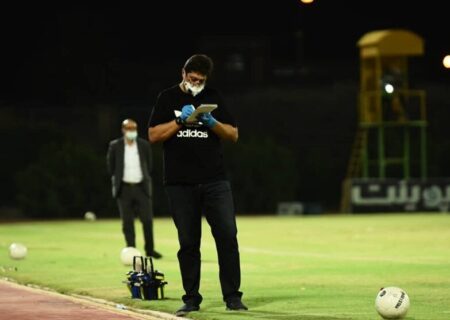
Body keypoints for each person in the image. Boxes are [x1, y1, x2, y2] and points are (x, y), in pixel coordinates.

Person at [147, 54, 247, 317]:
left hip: (215, 180)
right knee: (189, 242)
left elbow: (233, 134)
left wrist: (212, 122)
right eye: (192, 79)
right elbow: (154, 135)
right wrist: (180, 121)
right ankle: (191, 298)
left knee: (227, 236)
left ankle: (233, 297)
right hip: (180, 183)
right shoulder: (167, 98)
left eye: (201, 80)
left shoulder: (212, 96)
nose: (196, 84)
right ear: (183, 73)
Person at [107, 119, 162, 259]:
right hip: (124, 188)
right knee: (127, 221)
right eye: (129, 128)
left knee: (147, 220)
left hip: (141, 187)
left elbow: (148, 166)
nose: (132, 131)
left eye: (134, 128)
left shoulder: (143, 145)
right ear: (123, 130)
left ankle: (150, 250)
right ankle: (131, 250)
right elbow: (111, 166)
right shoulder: (115, 146)